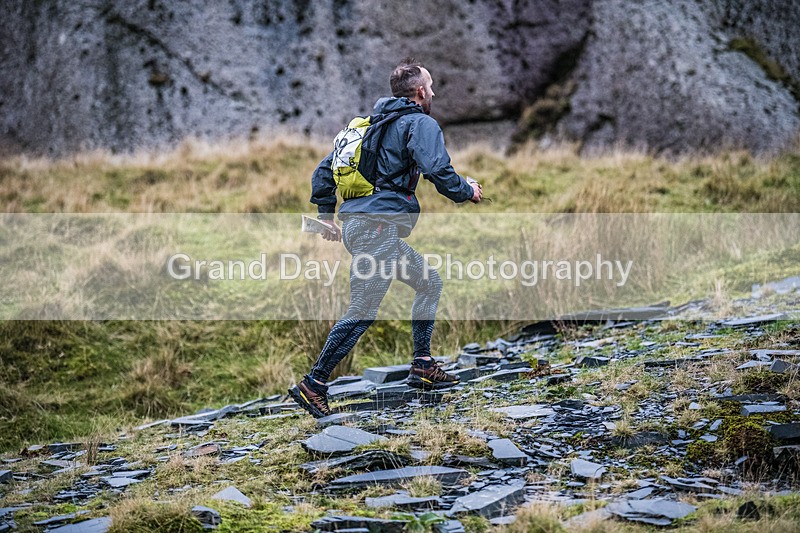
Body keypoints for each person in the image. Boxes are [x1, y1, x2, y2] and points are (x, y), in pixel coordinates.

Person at [288, 58, 483, 418]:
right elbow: (437, 169)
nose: (434, 93)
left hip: (367, 227)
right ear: (420, 91)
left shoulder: (365, 127)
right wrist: (466, 191)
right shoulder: (419, 123)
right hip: (376, 229)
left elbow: (322, 172)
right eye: (431, 86)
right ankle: (313, 384)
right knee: (363, 310)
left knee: (428, 282)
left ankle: (422, 365)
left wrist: (326, 216)